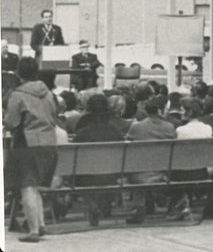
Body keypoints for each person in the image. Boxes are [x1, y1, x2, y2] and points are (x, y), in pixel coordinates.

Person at [2, 57, 59, 243]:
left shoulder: (17, 95)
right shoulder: (48, 93)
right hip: (50, 142)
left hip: (27, 143)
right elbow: (54, 114)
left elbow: (12, 122)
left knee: (27, 186)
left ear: (18, 73)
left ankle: (33, 230)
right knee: (36, 186)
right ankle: (41, 224)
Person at [124, 96, 178, 224]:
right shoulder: (169, 127)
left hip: (139, 174)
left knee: (138, 166)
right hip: (163, 173)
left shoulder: (136, 127)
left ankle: (138, 207)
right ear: (160, 111)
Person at [72, 94, 124, 226]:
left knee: (77, 174)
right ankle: (103, 204)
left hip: (86, 177)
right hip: (112, 174)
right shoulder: (116, 132)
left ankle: (92, 204)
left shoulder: (82, 134)